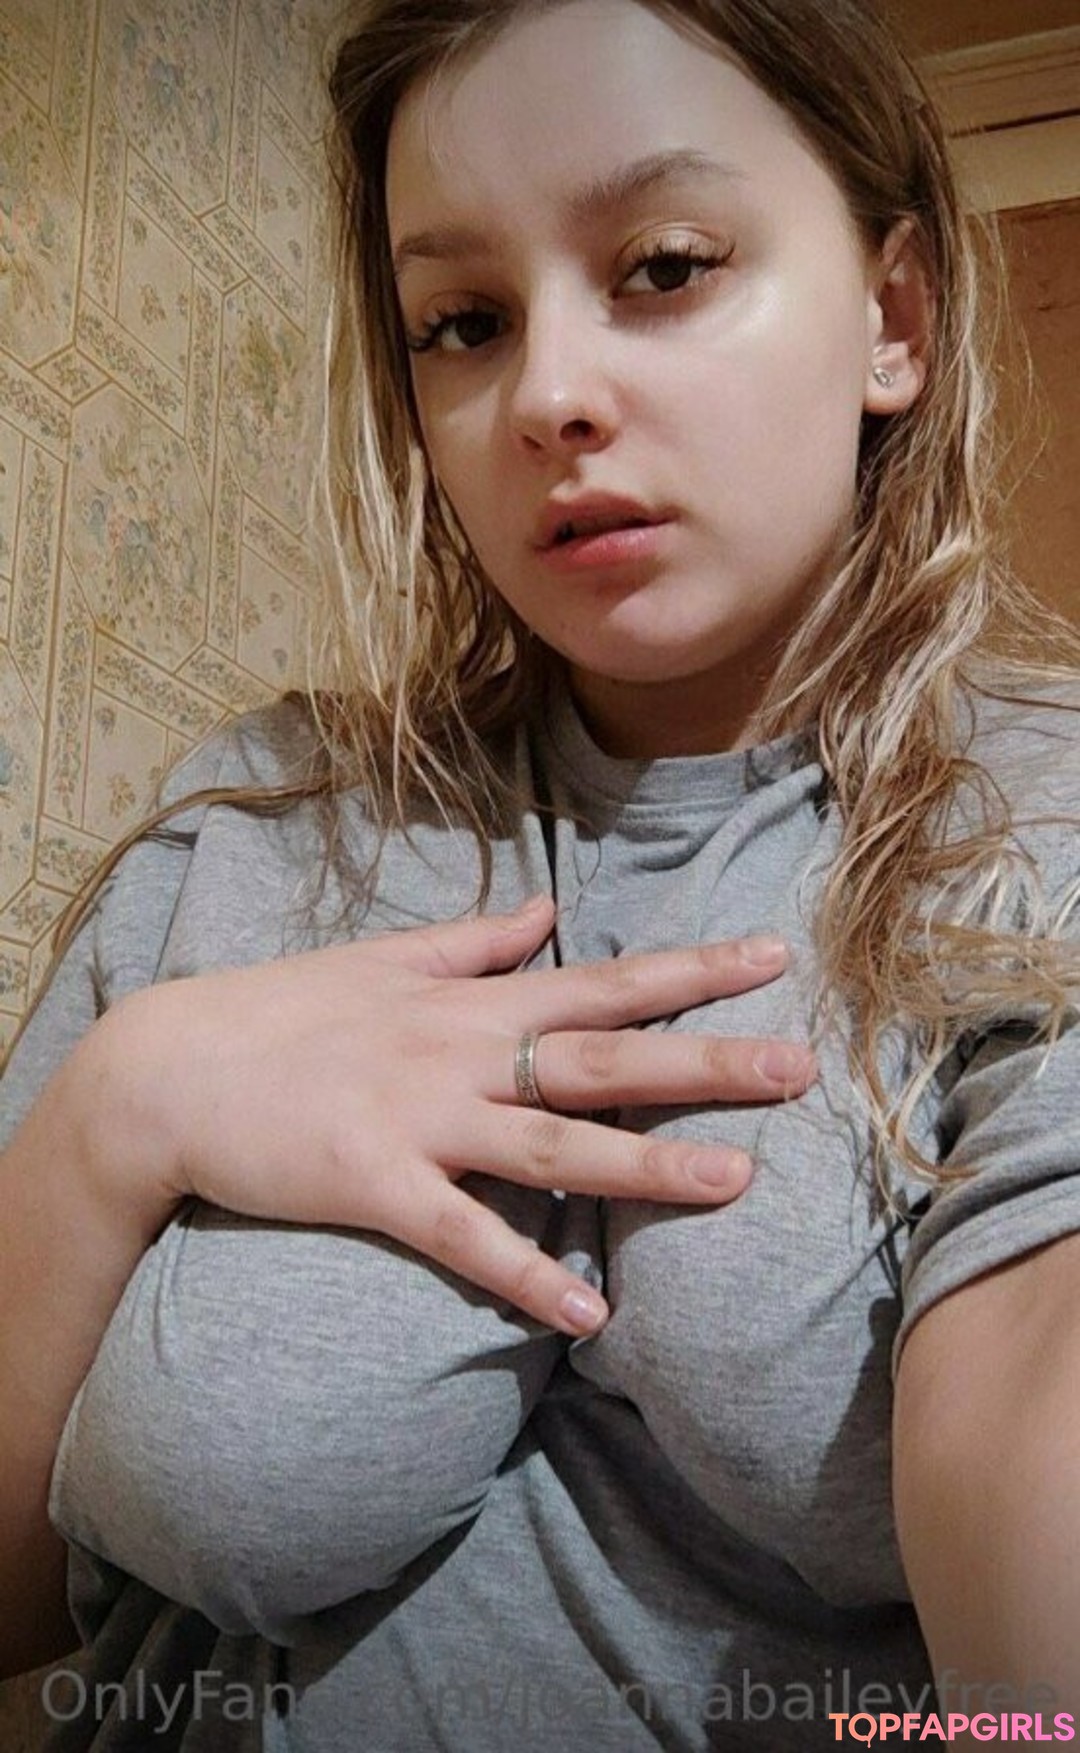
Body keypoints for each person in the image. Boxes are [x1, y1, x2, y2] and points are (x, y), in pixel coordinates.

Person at [2, 0, 1079, 1747]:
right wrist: (129, 1102)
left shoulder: (1041, 827)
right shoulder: (259, 816)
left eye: (664, 266)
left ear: (893, 321)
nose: (548, 396)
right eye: (464, 322)